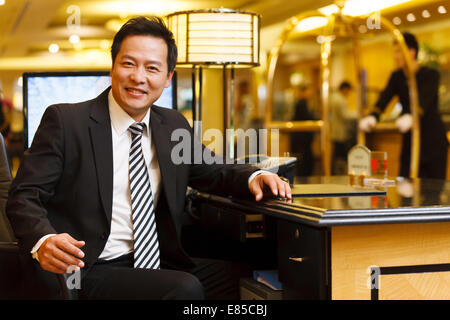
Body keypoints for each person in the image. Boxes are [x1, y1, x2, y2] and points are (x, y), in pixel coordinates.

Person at [6, 16, 291, 300]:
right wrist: (43, 240)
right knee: (184, 289)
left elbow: (213, 170)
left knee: (245, 280)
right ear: (113, 68)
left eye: (152, 68)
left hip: (154, 261)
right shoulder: (67, 121)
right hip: (84, 268)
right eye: (128, 64)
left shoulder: (173, 124)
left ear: (168, 78)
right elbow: (24, 196)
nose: (138, 77)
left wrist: (256, 175)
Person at [359, 32, 448, 179]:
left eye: (399, 51)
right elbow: (384, 98)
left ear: (411, 52)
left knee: (434, 190)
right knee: (405, 184)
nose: (396, 55)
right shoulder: (397, 76)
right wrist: (373, 116)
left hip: (433, 142)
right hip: (410, 140)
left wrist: (412, 117)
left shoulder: (430, 74)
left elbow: (424, 100)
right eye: (395, 51)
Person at [330, 81, 357, 174]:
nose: (349, 93)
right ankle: (340, 174)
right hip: (340, 132)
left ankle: (337, 173)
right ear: (345, 89)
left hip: (335, 131)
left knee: (337, 154)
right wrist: (359, 114)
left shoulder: (334, 98)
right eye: (349, 91)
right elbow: (345, 115)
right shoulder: (339, 99)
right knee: (341, 155)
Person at [290, 84, 317, 176]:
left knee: (305, 157)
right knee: (305, 158)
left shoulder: (301, 102)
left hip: (301, 136)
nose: (310, 93)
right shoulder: (302, 103)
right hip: (302, 136)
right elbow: (306, 116)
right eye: (308, 91)